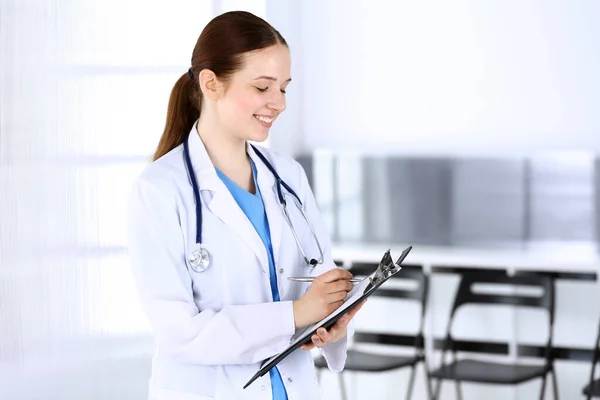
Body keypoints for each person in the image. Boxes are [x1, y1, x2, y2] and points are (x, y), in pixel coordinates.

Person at [127, 10, 366, 400]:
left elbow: (319, 276)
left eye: (284, 88)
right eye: (262, 88)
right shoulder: (159, 191)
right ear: (211, 83)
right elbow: (180, 335)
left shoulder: (288, 176)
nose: (279, 103)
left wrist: (332, 320)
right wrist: (296, 314)